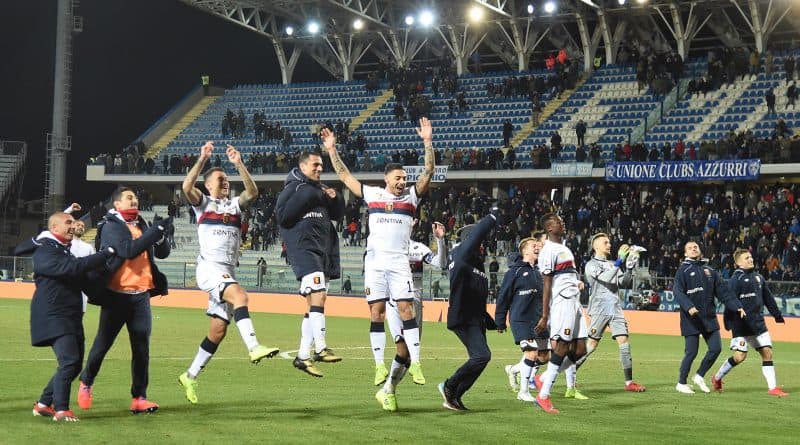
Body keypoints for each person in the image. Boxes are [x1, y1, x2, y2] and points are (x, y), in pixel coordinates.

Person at [324, 118, 435, 411]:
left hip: (399, 264)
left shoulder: (412, 198)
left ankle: (416, 365)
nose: (402, 181)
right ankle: (378, 368)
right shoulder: (372, 194)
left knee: (406, 312)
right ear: (386, 179)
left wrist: (427, 142)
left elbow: (428, 172)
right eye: (397, 177)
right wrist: (332, 150)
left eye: (403, 178)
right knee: (376, 312)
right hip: (374, 264)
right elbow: (345, 176)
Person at [177, 142, 279, 405]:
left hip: (226, 270)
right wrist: (201, 160)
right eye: (220, 179)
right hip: (210, 269)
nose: (225, 183)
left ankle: (190, 375)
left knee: (218, 331)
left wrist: (239, 164)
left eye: (226, 179)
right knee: (241, 297)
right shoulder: (204, 204)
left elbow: (252, 191)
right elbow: (187, 188)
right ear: (208, 185)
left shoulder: (233, 205)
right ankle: (254, 347)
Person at [78, 187, 173, 414]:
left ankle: (139, 397)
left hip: (140, 296)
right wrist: (155, 231)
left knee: (141, 350)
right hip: (115, 297)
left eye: (136, 198)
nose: (135, 201)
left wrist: (162, 238)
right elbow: (128, 250)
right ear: (117, 205)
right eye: (129, 198)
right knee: (102, 346)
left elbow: (162, 254)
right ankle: (86, 382)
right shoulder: (110, 226)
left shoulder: (142, 224)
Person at [18, 212, 115, 422]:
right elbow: (72, 268)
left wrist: (111, 267)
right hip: (53, 315)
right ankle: (61, 411)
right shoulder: (45, 250)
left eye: (73, 222)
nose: (74, 225)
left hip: (70, 316)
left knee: (74, 364)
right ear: (54, 229)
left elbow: (84, 278)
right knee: (69, 361)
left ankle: (44, 403)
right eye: (68, 222)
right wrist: (104, 254)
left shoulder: (64, 252)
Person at [276, 150, 345, 378]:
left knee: (313, 302)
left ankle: (303, 356)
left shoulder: (319, 190)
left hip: (322, 250)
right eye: (315, 165)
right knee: (318, 295)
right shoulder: (294, 188)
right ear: (303, 166)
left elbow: (337, 215)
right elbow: (283, 217)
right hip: (304, 249)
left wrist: (335, 198)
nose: (319, 168)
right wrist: (313, 194)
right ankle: (321, 347)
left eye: (321, 165)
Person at [438, 209, 499, 411]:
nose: (482, 246)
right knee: (481, 356)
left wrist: (491, 322)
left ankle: (454, 395)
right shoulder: (461, 255)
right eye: (479, 242)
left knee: (481, 358)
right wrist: (492, 216)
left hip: (474, 318)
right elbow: (478, 233)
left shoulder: (475, 264)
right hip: (463, 317)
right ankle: (450, 386)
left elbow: (476, 298)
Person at [376, 221, 447, 386]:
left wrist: (440, 241)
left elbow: (441, 264)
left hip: (414, 301)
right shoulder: (388, 248)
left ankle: (389, 389)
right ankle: (388, 388)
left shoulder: (418, 249)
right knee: (402, 348)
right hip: (394, 303)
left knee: (408, 354)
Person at [711, 249, 788, 396]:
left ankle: (773, 388)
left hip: (758, 324)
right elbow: (729, 301)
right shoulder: (735, 280)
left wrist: (777, 315)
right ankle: (717, 378)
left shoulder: (759, 277)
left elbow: (768, 298)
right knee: (740, 357)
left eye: (751, 257)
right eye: (747, 258)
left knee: (767, 353)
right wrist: (727, 322)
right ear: (738, 263)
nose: (750, 259)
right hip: (741, 325)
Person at [533, 213, 588, 414]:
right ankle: (544, 396)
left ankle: (544, 377)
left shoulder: (564, 248)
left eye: (561, 220)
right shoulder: (548, 250)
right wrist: (545, 315)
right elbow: (547, 284)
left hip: (575, 301)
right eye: (557, 221)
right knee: (563, 346)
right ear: (549, 228)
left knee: (581, 349)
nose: (562, 222)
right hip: (562, 301)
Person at [673, 241, 745, 394]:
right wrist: (688, 306)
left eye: (696, 247)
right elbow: (677, 292)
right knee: (691, 352)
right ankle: (681, 383)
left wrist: (737, 306)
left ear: (700, 251)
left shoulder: (710, 271)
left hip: (709, 318)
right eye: (690, 248)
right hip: (691, 318)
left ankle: (699, 375)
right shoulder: (682, 270)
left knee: (716, 349)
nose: (694, 249)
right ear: (685, 253)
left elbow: (724, 293)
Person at [580, 233, 646, 392]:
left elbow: (624, 282)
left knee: (624, 342)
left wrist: (630, 268)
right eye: (605, 242)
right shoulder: (591, 265)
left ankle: (629, 383)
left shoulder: (612, 263)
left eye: (609, 242)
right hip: (600, 309)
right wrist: (620, 261)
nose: (609, 245)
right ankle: (571, 371)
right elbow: (607, 279)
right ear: (596, 246)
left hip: (615, 308)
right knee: (592, 344)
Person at [495, 232, 550, 403]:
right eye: (534, 245)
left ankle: (513, 369)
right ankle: (524, 391)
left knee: (544, 357)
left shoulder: (538, 272)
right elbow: (503, 296)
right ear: (525, 251)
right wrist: (500, 320)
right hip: (521, 319)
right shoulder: (515, 271)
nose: (537, 247)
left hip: (537, 320)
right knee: (532, 352)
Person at [64, 203, 96, 313]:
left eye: (83, 226)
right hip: (66, 286)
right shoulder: (65, 243)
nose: (81, 227)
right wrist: (70, 210)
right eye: (78, 225)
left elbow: (93, 266)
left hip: (82, 288)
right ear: (72, 227)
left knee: (79, 317)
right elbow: (60, 220)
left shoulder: (88, 247)